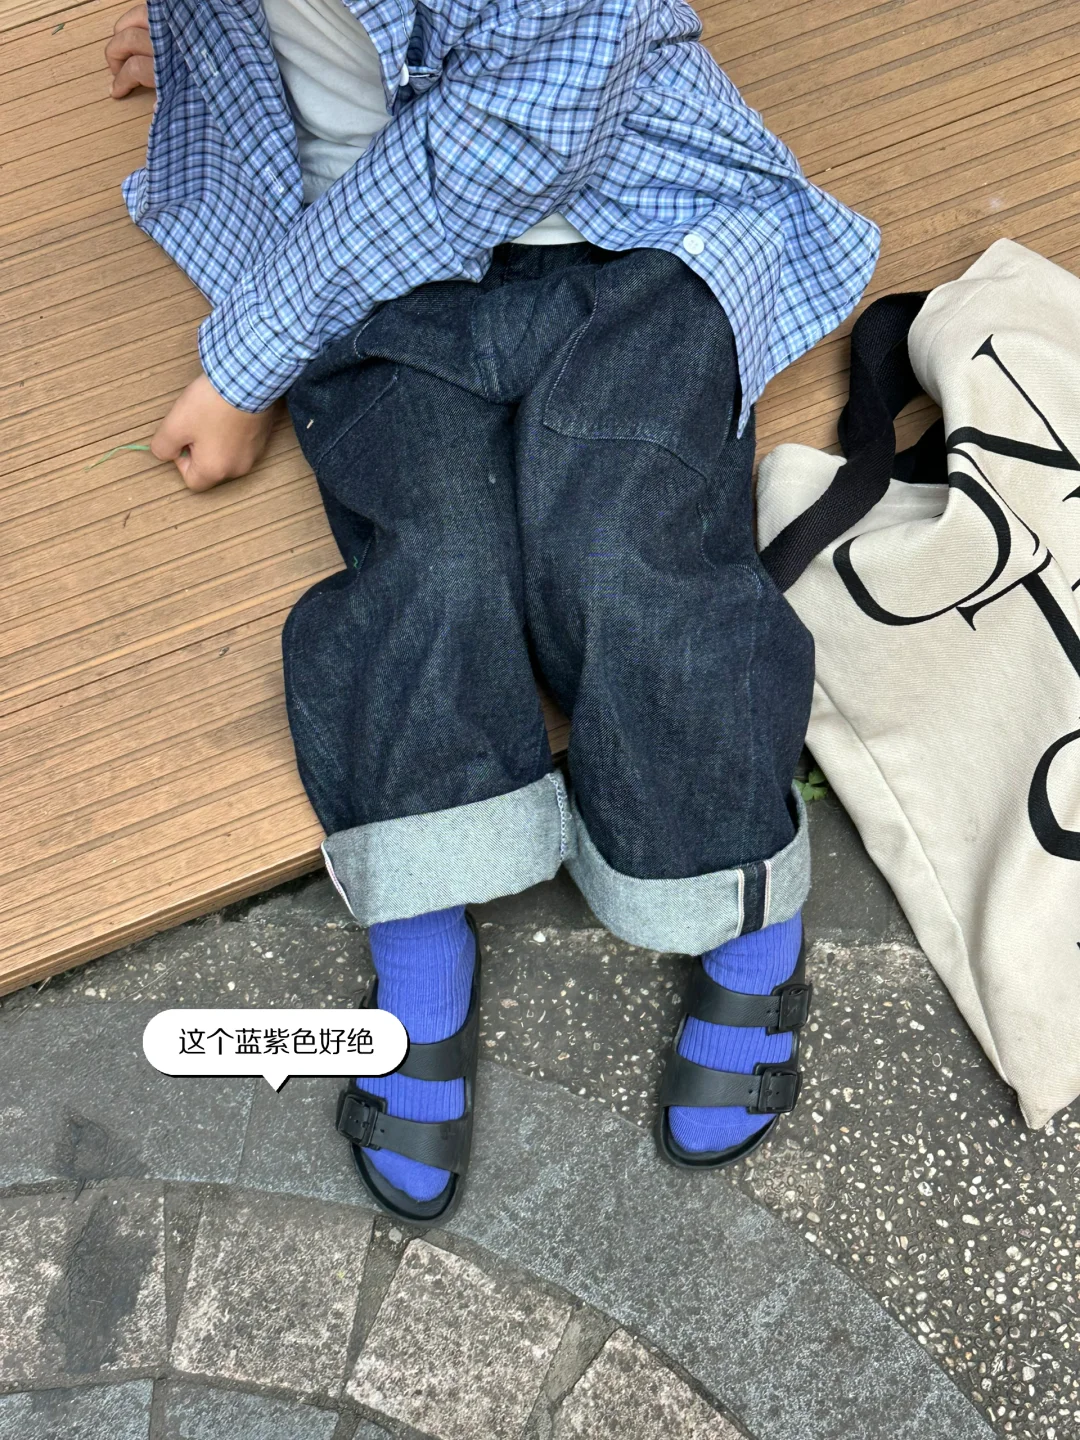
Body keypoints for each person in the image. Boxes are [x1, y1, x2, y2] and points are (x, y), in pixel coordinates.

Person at [106, 0, 878, 1225]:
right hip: (365, 260)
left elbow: (516, 130)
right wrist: (216, 37)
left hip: (634, 224)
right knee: (433, 562)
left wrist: (245, 361)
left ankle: (737, 893)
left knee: (625, 555)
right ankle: (422, 943)